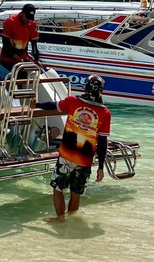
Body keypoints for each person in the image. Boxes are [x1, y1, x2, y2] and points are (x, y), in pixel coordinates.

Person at [36, 75, 111, 220]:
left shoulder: (73, 102)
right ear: (101, 91)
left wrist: (37, 104)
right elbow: (103, 142)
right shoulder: (105, 113)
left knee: (58, 189)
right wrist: (101, 167)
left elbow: (53, 105)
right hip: (85, 160)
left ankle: (60, 219)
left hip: (66, 156)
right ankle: (71, 222)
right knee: (76, 192)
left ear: (85, 87)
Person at [0, 3, 40, 71]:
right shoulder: (10, 21)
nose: (28, 20)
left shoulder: (32, 23)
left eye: (30, 18)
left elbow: (34, 44)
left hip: (22, 58)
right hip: (8, 59)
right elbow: (5, 42)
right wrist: (15, 56)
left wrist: (36, 59)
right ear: (22, 13)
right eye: (27, 17)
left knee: (22, 80)